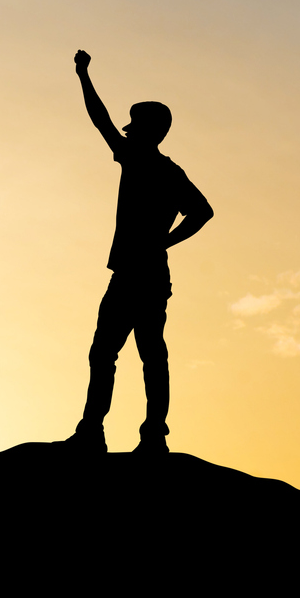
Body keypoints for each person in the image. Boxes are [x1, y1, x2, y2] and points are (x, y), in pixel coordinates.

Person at [65, 49, 214, 456]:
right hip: (147, 274)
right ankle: (141, 434)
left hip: (136, 275)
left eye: (133, 128)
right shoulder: (168, 171)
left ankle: (106, 432)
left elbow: (100, 119)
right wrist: (166, 241)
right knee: (143, 354)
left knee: (115, 353)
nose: (126, 134)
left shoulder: (142, 161)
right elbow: (202, 212)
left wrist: (83, 75)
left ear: (148, 131)